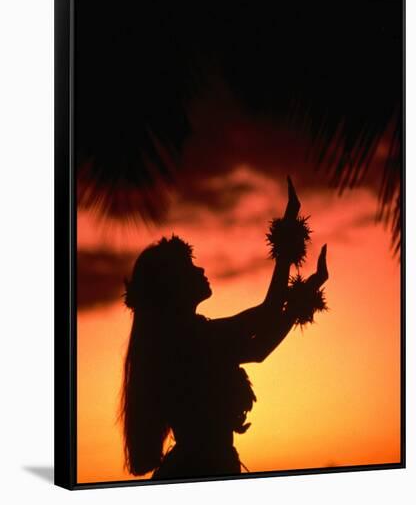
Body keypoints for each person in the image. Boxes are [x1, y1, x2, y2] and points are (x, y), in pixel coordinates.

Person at [119, 178, 328, 480]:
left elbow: (259, 348)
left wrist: (309, 288)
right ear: (173, 287)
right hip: (200, 470)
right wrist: (288, 236)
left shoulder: (189, 338)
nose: (201, 270)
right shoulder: (192, 341)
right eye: (189, 267)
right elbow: (267, 313)